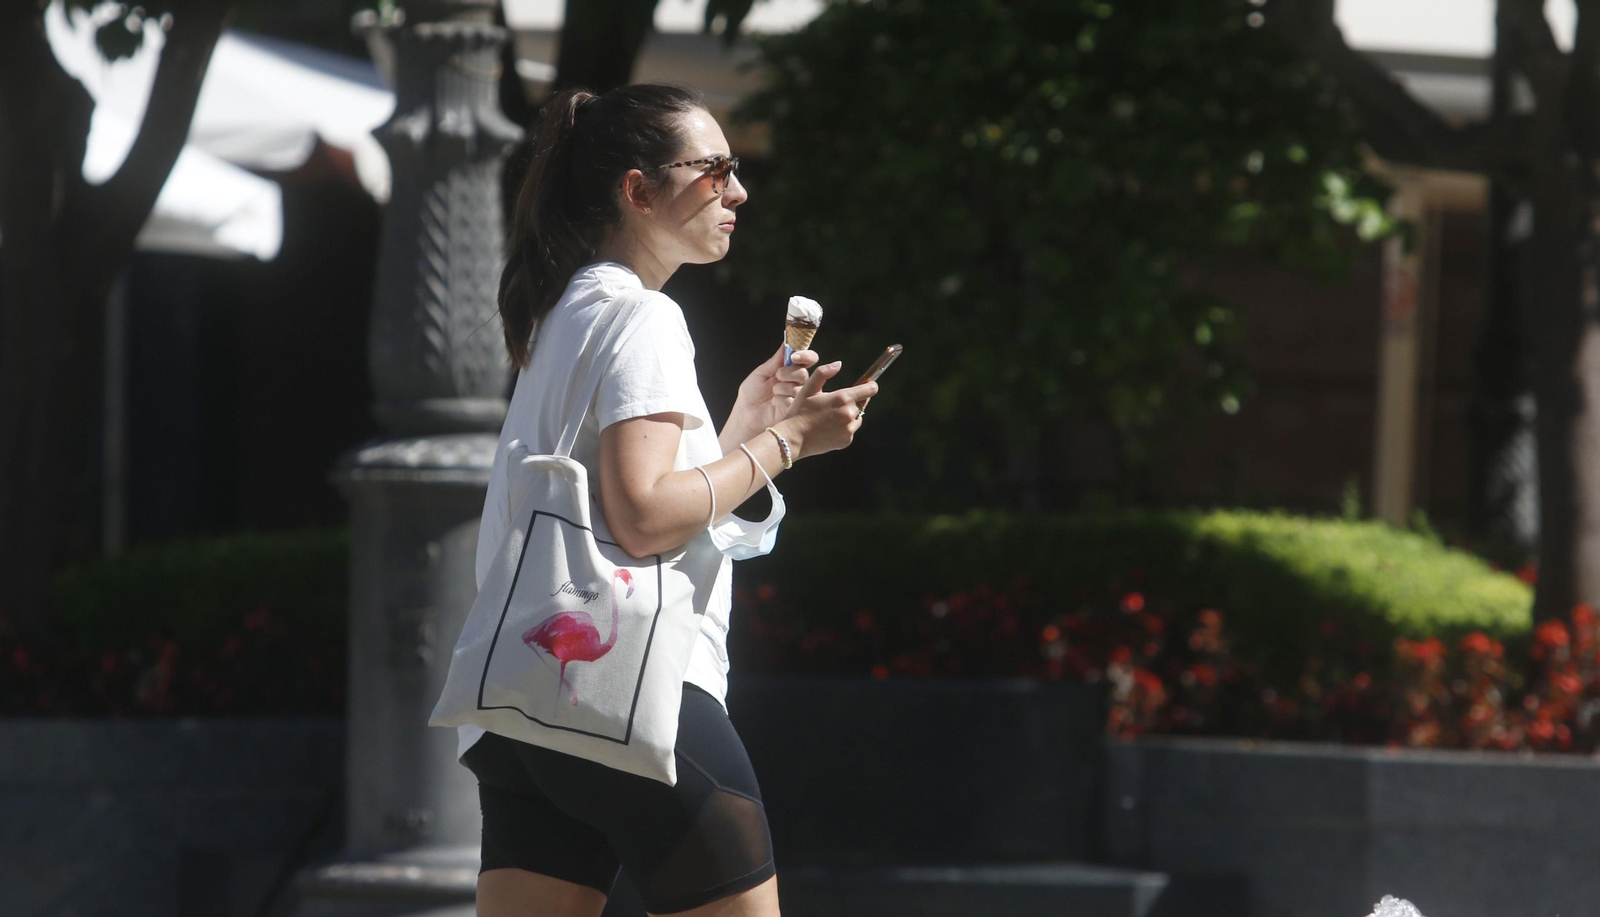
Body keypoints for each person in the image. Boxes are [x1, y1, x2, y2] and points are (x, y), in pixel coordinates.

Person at [460, 84, 877, 917]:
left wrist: (738, 436)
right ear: (639, 190)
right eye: (714, 169)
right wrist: (789, 443)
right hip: (639, 690)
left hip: (531, 699)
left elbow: (633, 503)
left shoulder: (568, 310)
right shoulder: (645, 317)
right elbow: (642, 515)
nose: (738, 189)